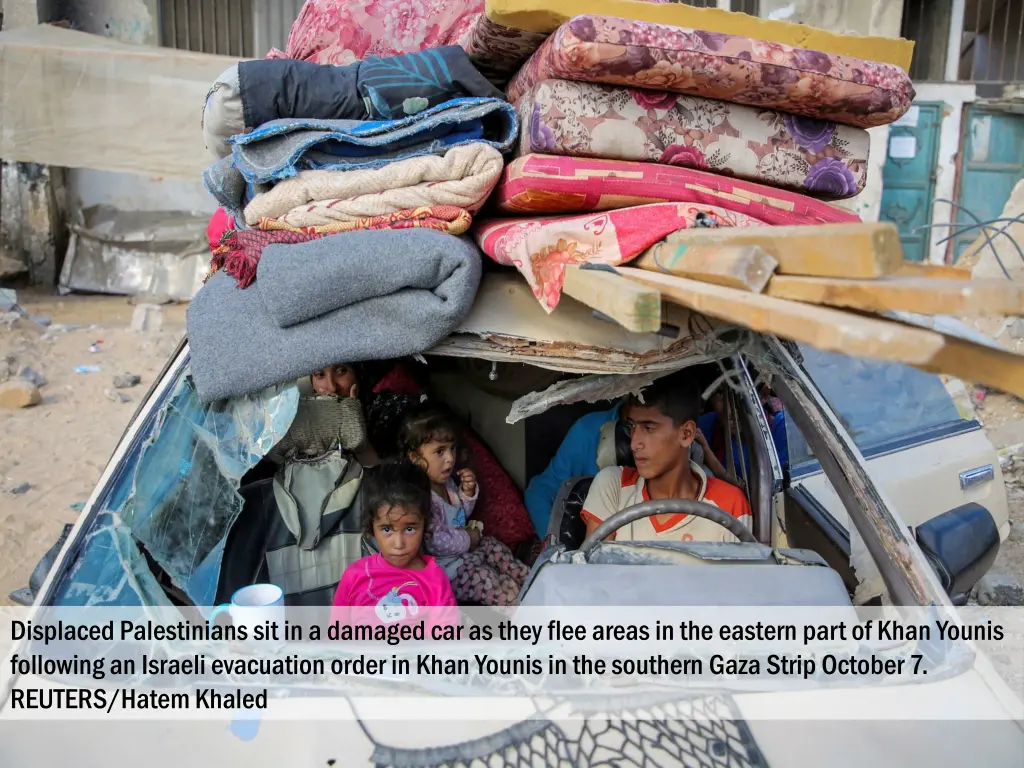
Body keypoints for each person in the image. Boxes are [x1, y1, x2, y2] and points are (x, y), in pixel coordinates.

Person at [581, 376, 752, 544]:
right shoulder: (613, 486)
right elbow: (595, 569)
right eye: (632, 426)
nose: (634, 444)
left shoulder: (730, 505)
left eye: (648, 428)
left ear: (686, 434)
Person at [399, 408, 529, 606]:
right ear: (415, 458)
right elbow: (435, 542)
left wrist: (467, 494)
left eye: (452, 448)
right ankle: (515, 604)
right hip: (450, 569)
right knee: (486, 578)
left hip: (466, 552)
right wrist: (469, 538)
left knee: (493, 545)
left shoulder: (448, 485)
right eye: (439, 451)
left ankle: (528, 579)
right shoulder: (421, 498)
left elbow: (459, 517)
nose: (450, 458)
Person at [331, 461, 457, 627]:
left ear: (425, 524)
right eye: (387, 529)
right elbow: (335, 638)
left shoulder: (435, 581)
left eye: (410, 529)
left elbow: (447, 645)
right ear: (372, 527)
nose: (399, 544)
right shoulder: (355, 576)